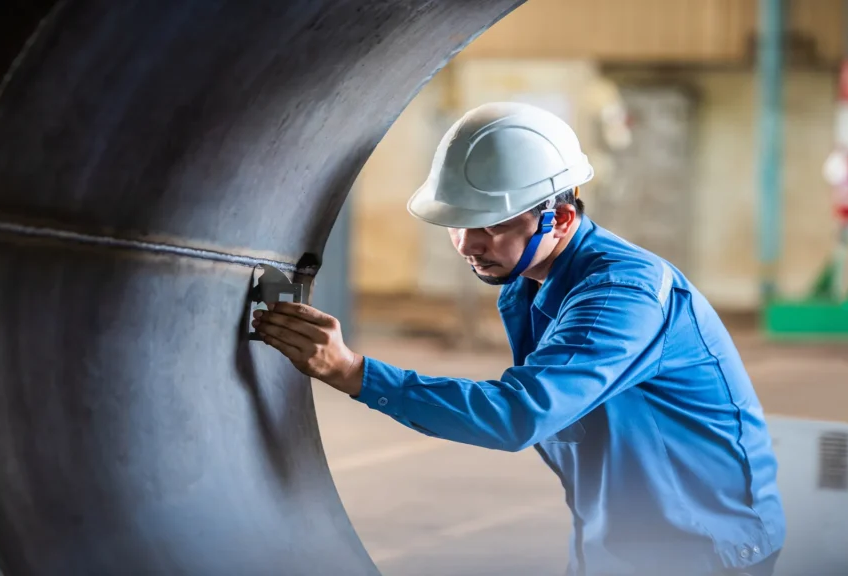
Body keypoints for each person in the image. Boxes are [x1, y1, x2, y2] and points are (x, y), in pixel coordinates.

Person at [252, 102, 786, 576]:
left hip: (701, 548)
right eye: (457, 223)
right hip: (618, 539)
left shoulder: (621, 295)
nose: (466, 244)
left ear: (560, 217)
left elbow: (518, 415)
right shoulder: (530, 285)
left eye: (490, 225)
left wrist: (352, 372)